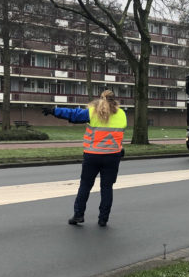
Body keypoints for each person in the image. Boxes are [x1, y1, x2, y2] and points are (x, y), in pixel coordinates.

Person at [43, 90, 127, 227]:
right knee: (107, 188)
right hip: (112, 156)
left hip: (92, 156)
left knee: (85, 186)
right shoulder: (122, 114)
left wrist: (54, 111)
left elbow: (73, 114)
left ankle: (78, 215)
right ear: (115, 100)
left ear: (100, 98)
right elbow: (118, 134)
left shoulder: (93, 112)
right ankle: (103, 219)